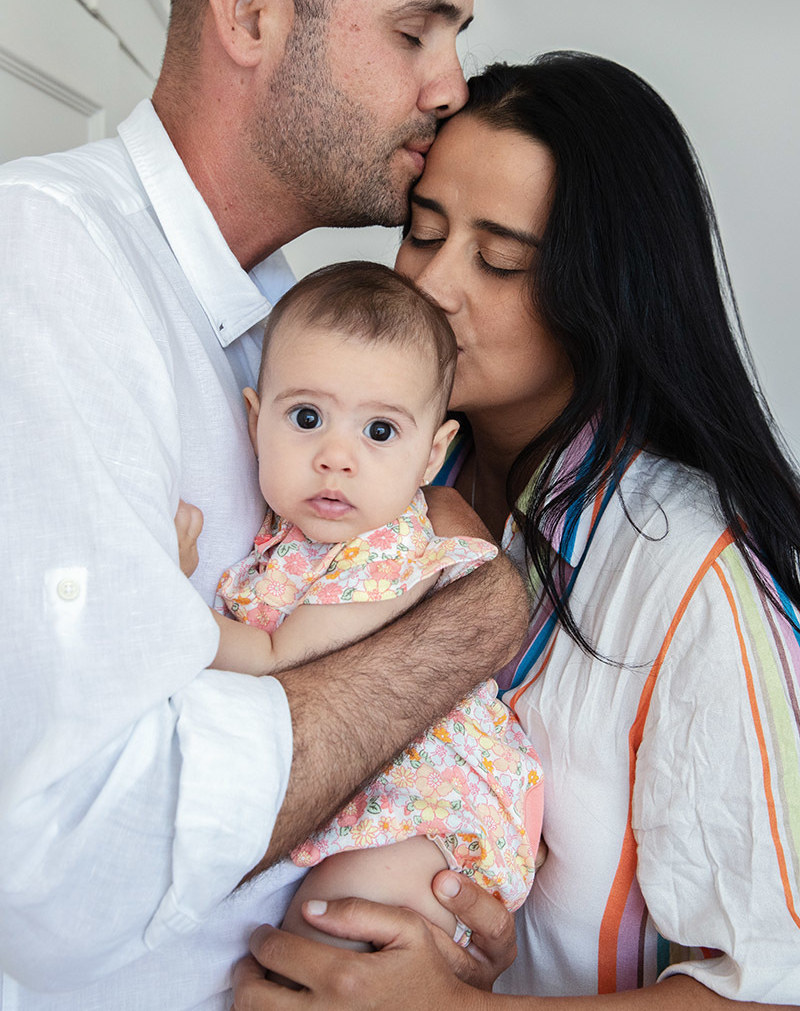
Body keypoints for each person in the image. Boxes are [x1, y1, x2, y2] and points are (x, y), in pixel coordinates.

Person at [0, 0, 530, 1011]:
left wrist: (430, 915)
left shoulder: (293, 324)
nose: (448, 85)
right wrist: (462, 626)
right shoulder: (42, 266)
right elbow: (73, 869)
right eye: (413, 30)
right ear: (250, 11)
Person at [232, 52, 800, 1009]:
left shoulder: (695, 574)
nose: (437, 288)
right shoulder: (371, 483)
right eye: (422, 234)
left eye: (499, 260)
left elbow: (771, 984)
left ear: (604, 293)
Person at [185, 261, 543, 945]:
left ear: (431, 454)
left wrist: (169, 608)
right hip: (361, 785)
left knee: (331, 921)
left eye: (379, 432)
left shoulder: (388, 553)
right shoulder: (292, 535)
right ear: (256, 420)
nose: (335, 457)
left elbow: (272, 657)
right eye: (308, 417)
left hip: (431, 812)